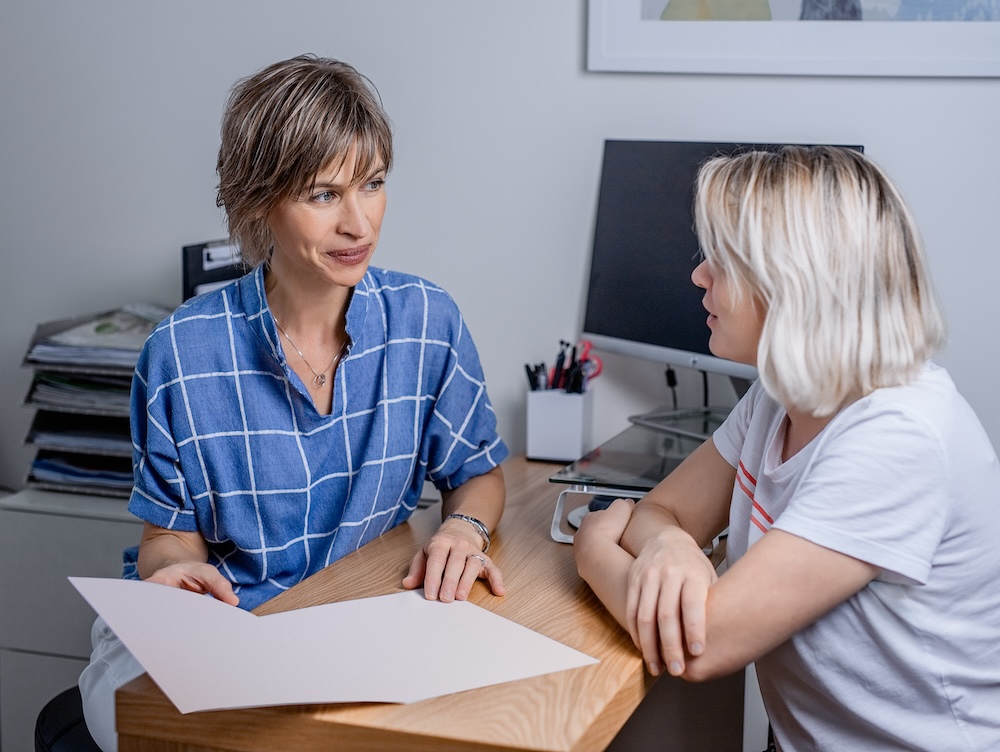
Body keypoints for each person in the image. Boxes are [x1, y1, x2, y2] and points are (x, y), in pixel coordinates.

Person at [79, 54, 508, 751]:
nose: (358, 222)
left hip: (360, 624)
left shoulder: (428, 320)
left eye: (372, 184)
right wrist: (170, 572)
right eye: (321, 194)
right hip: (226, 634)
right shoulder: (182, 353)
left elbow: (478, 472)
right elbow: (167, 539)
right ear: (257, 203)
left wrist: (464, 531)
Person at [574, 145, 1000, 751]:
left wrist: (593, 548)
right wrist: (669, 546)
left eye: (721, 259)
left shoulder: (899, 434)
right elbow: (662, 513)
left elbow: (703, 643)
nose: (699, 276)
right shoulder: (779, 395)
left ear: (792, 279)